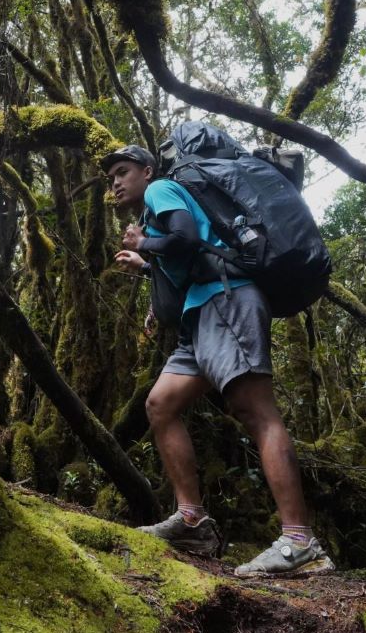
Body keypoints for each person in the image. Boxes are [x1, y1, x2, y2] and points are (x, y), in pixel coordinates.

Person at [102, 143, 335, 578]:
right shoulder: (157, 207)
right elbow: (193, 258)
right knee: (160, 404)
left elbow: (187, 239)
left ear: (147, 171)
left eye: (122, 172)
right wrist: (148, 265)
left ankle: (300, 542)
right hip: (200, 313)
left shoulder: (161, 189)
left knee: (256, 410)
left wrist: (144, 242)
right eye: (111, 177)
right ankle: (192, 522)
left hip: (227, 300)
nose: (115, 182)